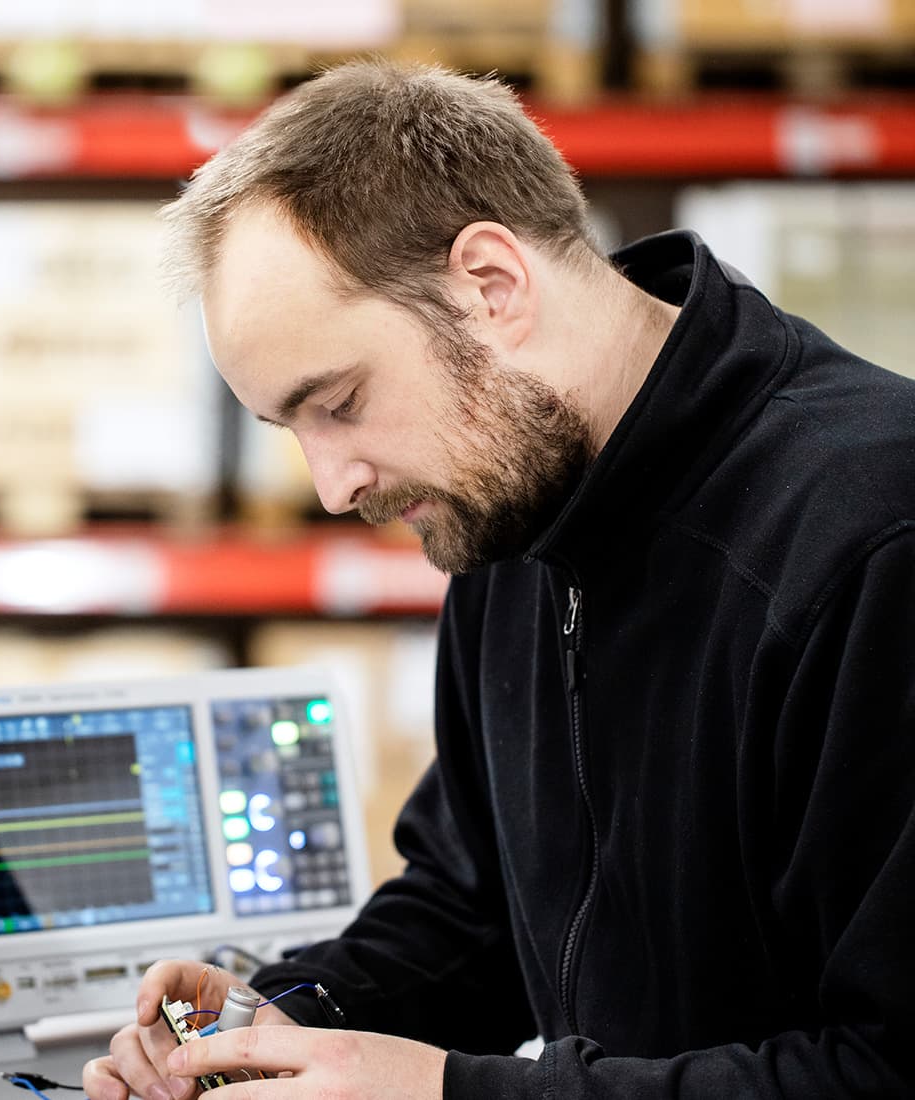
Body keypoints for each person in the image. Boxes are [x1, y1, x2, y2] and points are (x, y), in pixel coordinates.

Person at [82, 60, 915, 1099]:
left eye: (338, 400)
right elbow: (472, 900)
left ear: (491, 285)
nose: (333, 485)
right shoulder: (518, 506)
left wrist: (448, 1093)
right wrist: (286, 1020)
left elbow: (887, 1066)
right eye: (289, 429)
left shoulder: (877, 541)